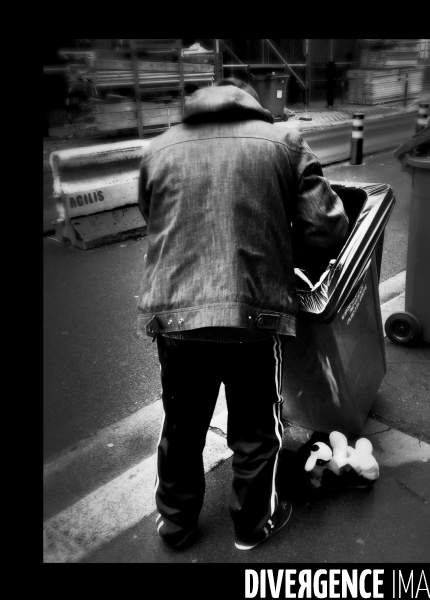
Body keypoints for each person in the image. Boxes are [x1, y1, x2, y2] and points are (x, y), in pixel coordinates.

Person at [136, 77, 349, 551]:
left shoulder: (159, 148)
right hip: (254, 313)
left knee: (181, 426)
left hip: (177, 315)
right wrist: (284, 254)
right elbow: (327, 228)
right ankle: (253, 526)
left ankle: (176, 527)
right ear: (252, 104)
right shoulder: (284, 142)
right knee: (255, 430)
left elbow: (153, 218)